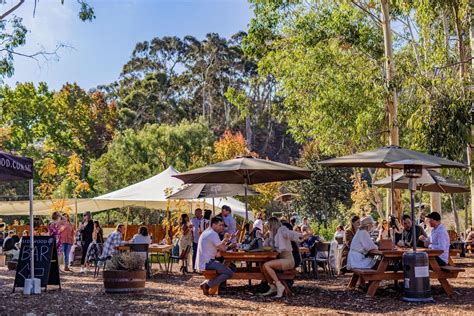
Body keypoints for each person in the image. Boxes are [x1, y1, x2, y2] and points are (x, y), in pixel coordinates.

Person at [260, 217, 308, 297]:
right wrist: (265, 238)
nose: (267, 227)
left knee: (266, 265)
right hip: (281, 259)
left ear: (272, 224)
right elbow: (268, 246)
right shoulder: (272, 234)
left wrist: (303, 234)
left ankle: (279, 286)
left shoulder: (282, 230)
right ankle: (273, 286)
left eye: (268, 225)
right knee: (263, 265)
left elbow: (291, 234)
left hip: (288, 260)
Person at [195, 217, 233, 295]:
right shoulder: (213, 234)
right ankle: (207, 284)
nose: (222, 227)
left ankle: (208, 284)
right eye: (220, 225)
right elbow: (222, 249)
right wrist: (233, 245)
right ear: (213, 225)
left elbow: (218, 246)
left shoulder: (207, 232)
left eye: (223, 225)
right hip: (207, 262)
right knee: (229, 272)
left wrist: (225, 240)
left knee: (230, 267)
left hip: (203, 261)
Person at [191, 208, 203, 273]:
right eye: (195, 213)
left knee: (201, 254)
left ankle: (201, 268)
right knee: (194, 254)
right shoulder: (193, 219)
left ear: (200, 213)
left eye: (197, 213)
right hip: (195, 240)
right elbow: (191, 228)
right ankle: (194, 268)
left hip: (202, 241)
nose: (196, 214)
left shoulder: (204, 220)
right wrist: (192, 235)